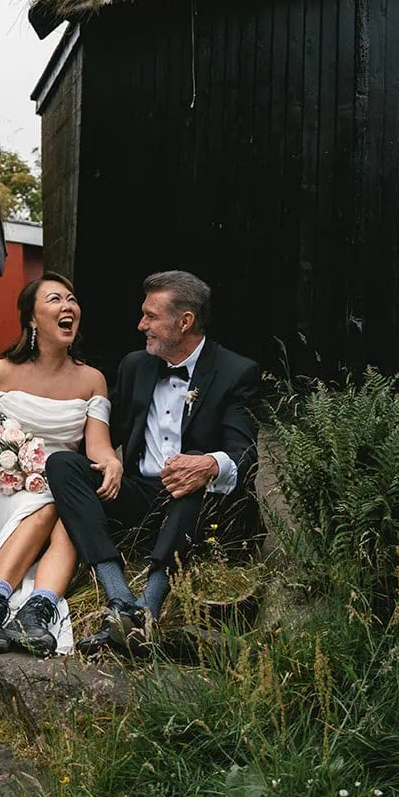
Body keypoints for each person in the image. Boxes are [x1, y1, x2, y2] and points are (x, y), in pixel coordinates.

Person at [45, 270, 258, 651]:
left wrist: (209, 465)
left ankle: (148, 610)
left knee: (193, 466)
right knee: (62, 464)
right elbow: (102, 435)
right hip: (141, 497)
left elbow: (244, 454)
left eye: (151, 316)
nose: (141, 325)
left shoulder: (235, 371)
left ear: (185, 321)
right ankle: (120, 598)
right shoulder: (135, 365)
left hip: (199, 508)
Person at [0, 273, 119, 680]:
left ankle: (37, 610)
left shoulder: (92, 380)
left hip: (60, 483)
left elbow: (97, 447)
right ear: (32, 318)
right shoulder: (0, 373)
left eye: (72, 299)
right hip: (8, 488)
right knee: (51, 508)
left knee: (68, 512)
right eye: (55, 299)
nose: (68, 306)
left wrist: (111, 463)